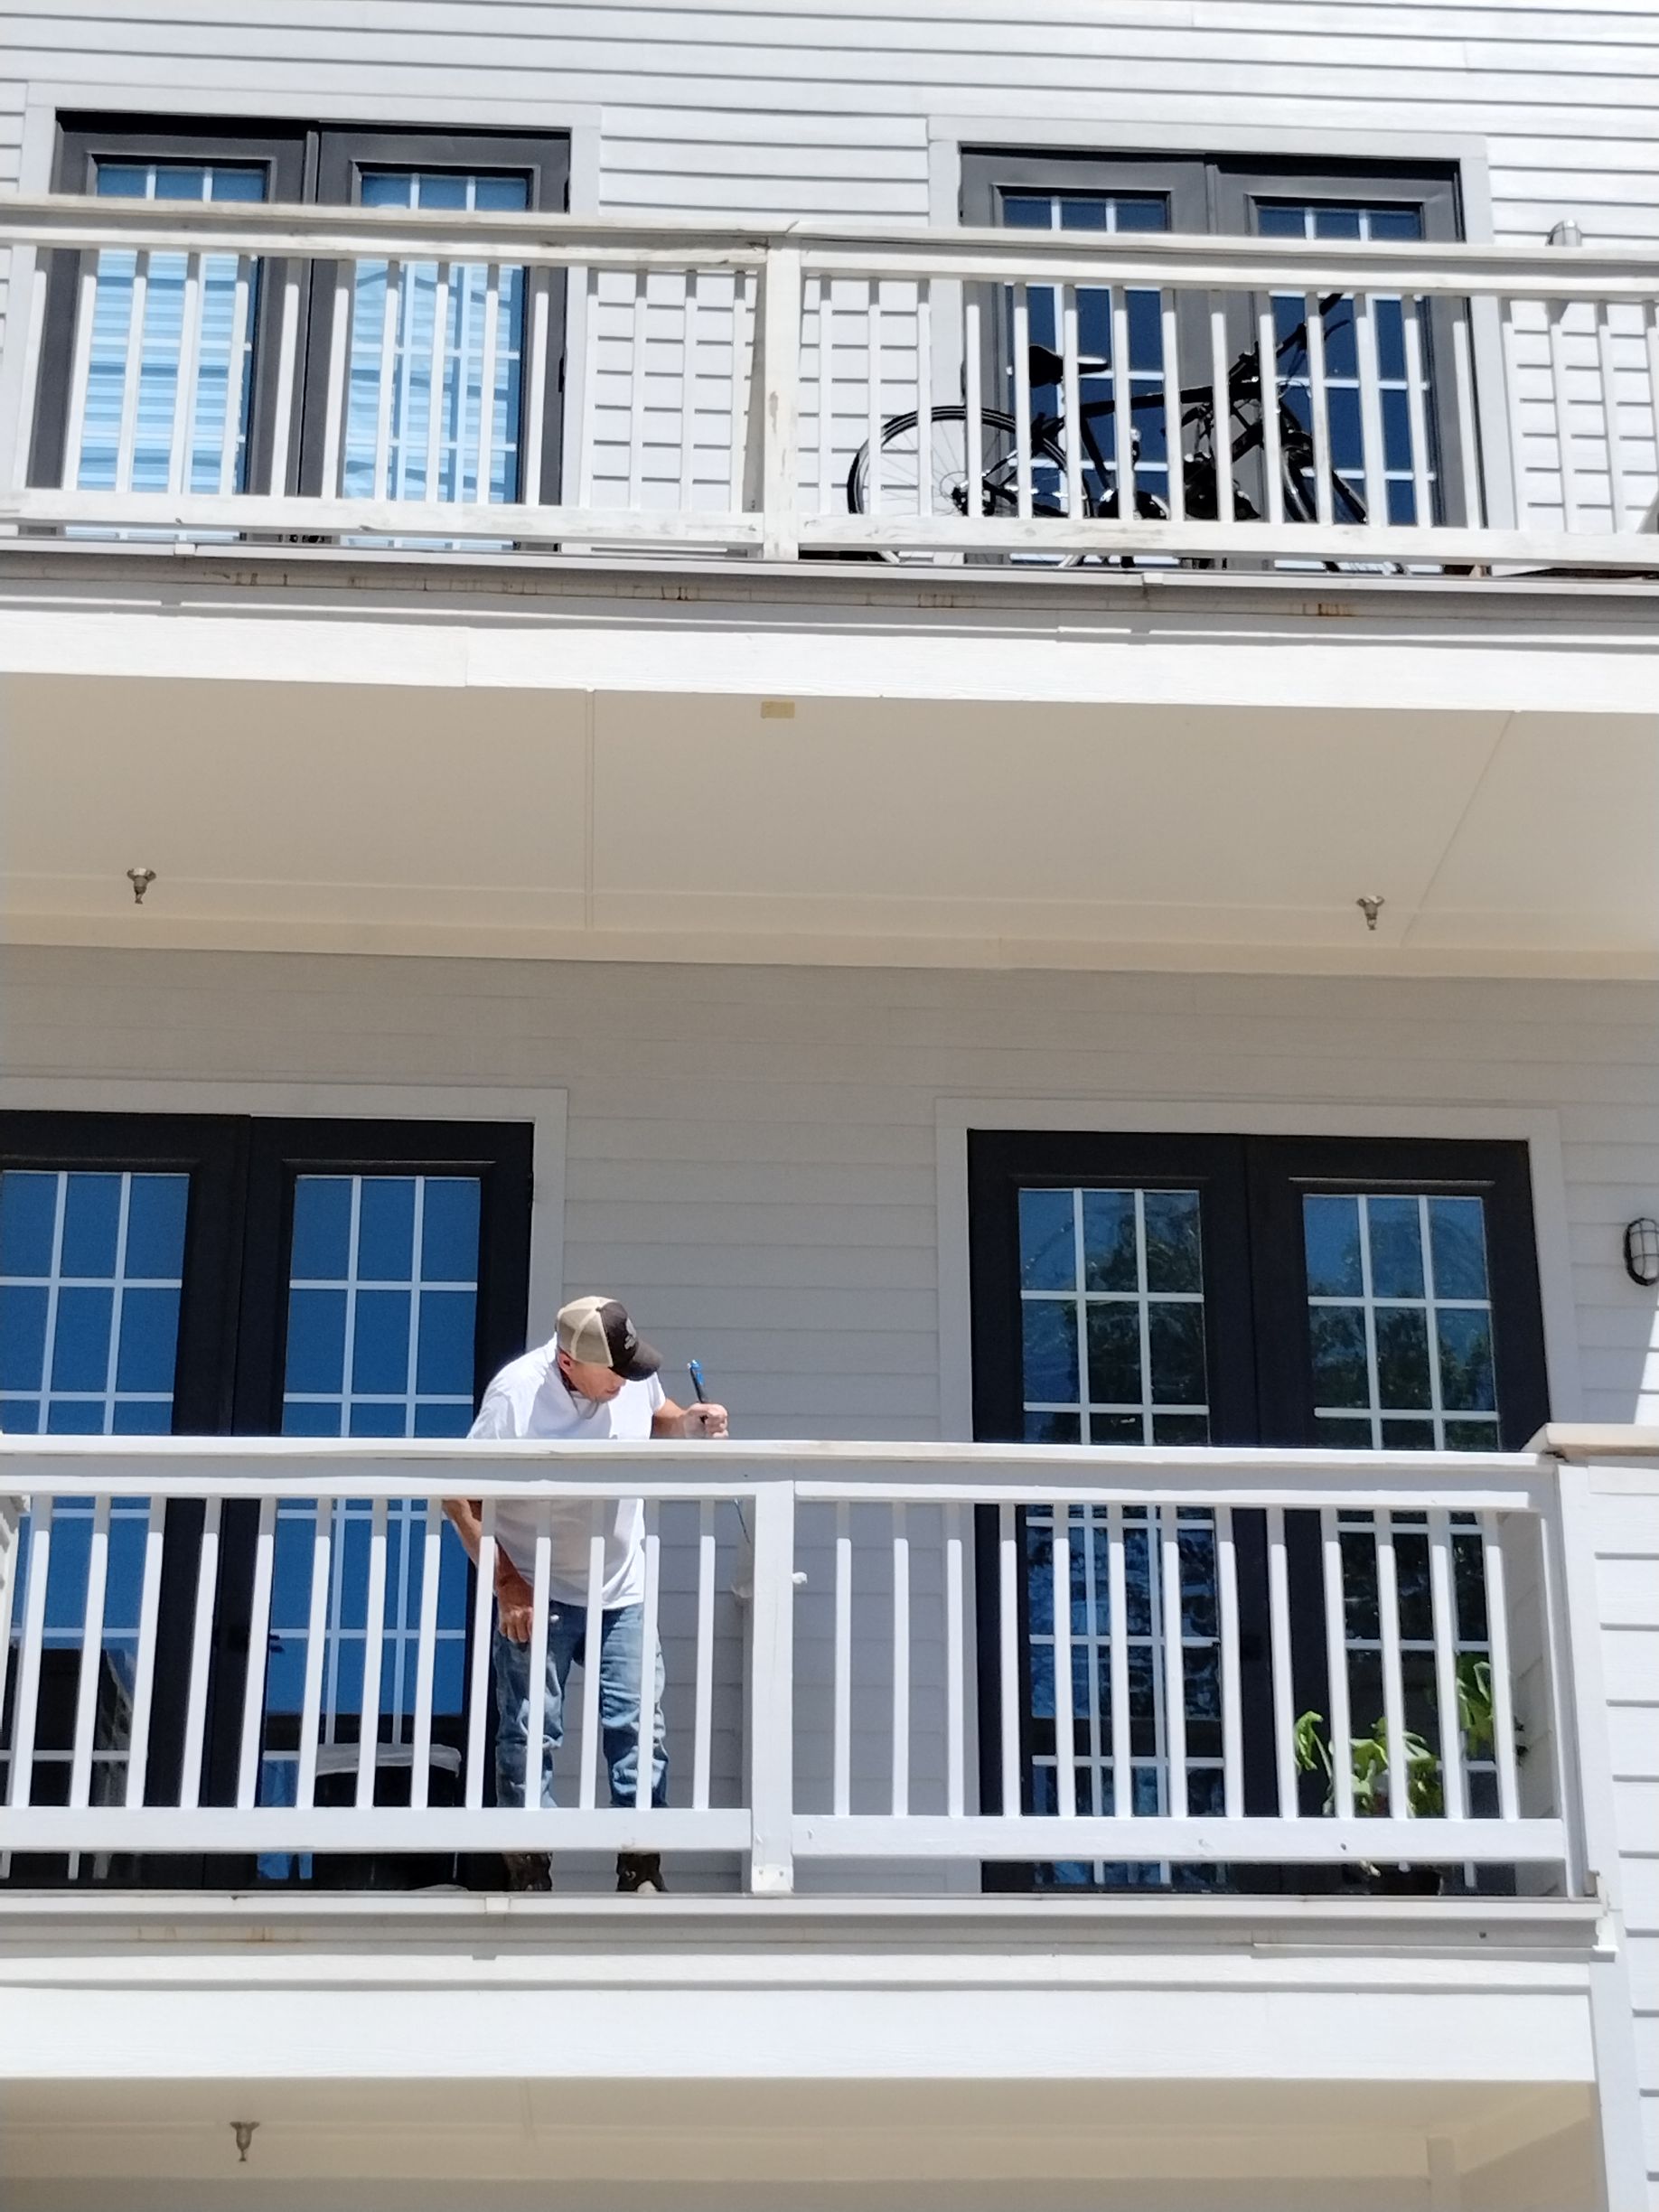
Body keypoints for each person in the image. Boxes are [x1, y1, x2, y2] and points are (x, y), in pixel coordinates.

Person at [444, 1296, 728, 1894]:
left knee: (638, 1729)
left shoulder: (626, 1378)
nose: (627, 1381)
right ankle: (529, 1874)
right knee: (529, 1730)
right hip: (535, 1586)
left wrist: (688, 1425)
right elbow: (457, 1497)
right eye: (615, 1374)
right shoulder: (515, 1397)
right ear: (569, 1363)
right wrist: (505, 1582)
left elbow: (657, 1418)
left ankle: (641, 1872)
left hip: (620, 1586)